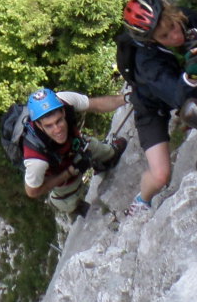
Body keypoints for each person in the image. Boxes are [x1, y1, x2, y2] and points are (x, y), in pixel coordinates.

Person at [120, 0, 197, 218]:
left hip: (174, 85)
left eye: (174, 26)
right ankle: (141, 200)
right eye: (165, 36)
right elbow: (178, 97)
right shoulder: (147, 63)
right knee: (161, 176)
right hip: (151, 108)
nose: (176, 36)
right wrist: (191, 74)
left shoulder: (183, 17)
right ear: (152, 41)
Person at [21, 87, 128, 215]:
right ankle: (68, 204)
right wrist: (68, 173)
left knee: (101, 150)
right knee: (69, 201)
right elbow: (32, 191)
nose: (57, 129)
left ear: (63, 111)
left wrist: (126, 98)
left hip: (77, 148)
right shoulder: (36, 160)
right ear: (38, 125)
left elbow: (96, 104)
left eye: (59, 120)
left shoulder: (65, 100)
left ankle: (108, 156)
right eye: (49, 126)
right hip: (60, 173)